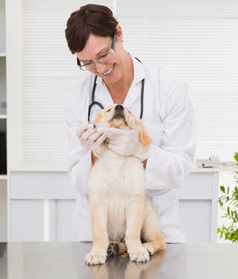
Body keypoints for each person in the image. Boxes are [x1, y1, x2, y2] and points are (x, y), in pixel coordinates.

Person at [64, 4, 196, 243]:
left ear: (119, 34)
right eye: (88, 63)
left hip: (155, 228)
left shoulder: (168, 90)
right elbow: (77, 179)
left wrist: (140, 151)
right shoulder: (78, 99)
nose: (101, 68)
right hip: (96, 235)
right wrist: (95, 154)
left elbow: (179, 171)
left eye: (104, 55)